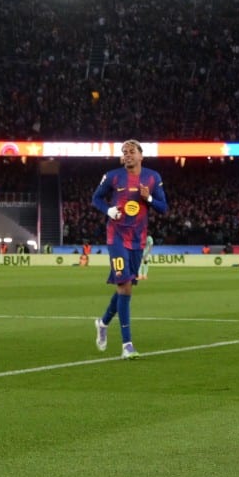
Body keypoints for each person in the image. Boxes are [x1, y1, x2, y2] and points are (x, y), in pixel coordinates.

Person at [92, 140, 167, 358]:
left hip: (137, 239)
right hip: (116, 236)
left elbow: (164, 208)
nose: (127, 155)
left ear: (141, 156)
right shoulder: (113, 176)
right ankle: (127, 345)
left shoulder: (153, 177)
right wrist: (108, 210)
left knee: (125, 288)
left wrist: (149, 198)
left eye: (132, 152)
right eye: (124, 152)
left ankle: (103, 322)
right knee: (124, 285)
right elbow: (96, 198)